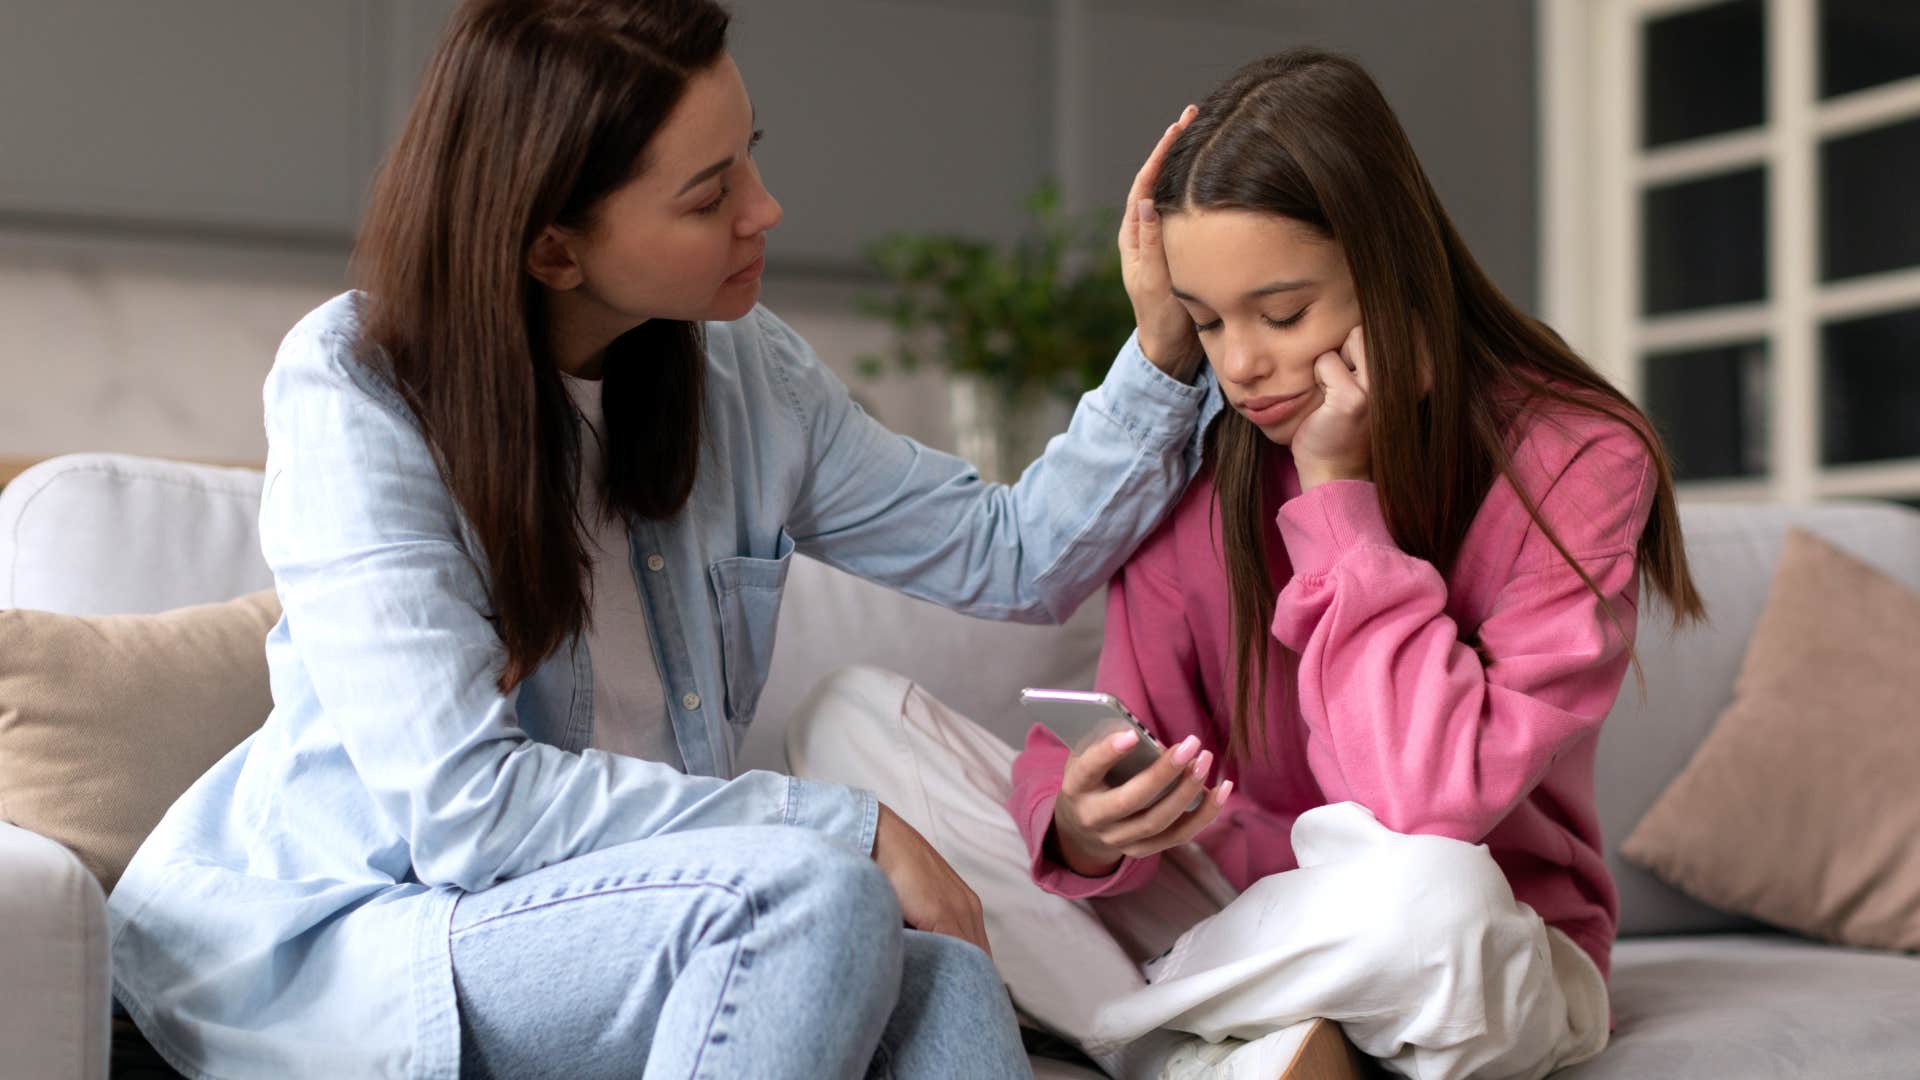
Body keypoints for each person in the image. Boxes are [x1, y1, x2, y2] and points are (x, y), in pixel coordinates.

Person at [104, 2, 1219, 1076]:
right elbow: (467, 811)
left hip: (632, 928)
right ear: (553, 248)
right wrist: (854, 826)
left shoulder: (743, 372)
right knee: (807, 890)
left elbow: (1009, 555)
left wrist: (1167, 348)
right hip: (350, 940)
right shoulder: (360, 384)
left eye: (751, 158)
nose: (765, 210)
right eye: (707, 196)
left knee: (950, 982)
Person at [789, 48, 1705, 1080]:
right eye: (1208, 319)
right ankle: (1221, 1043)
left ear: (1393, 271)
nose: (1239, 366)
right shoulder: (1205, 451)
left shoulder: (1574, 458)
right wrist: (1087, 828)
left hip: (1473, 936)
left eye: (1280, 315)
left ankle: (1145, 1035)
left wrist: (1338, 497)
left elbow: (1424, 800)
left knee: (1435, 902)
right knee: (847, 722)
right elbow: (1130, 728)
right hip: (1240, 915)